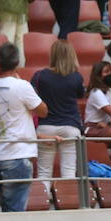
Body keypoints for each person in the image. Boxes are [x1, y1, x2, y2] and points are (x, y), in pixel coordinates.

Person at [0, 42, 47, 211]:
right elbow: (43, 111)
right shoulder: (22, 86)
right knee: (15, 214)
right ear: (17, 62)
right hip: (17, 156)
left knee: (7, 212)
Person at [31, 41, 86, 191]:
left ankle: (42, 206)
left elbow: (32, 97)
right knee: (68, 171)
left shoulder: (40, 75)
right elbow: (80, 95)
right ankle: (69, 205)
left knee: (44, 173)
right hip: (70, 126)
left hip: (46, 127)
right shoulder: (76, 77)